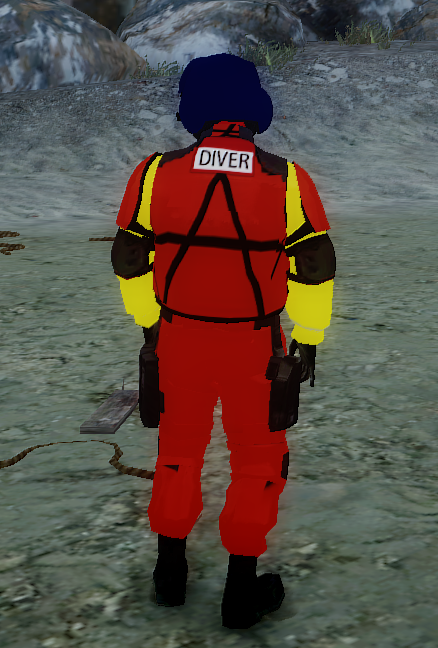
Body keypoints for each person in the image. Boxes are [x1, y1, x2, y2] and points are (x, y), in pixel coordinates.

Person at [109, 52, 337, 629]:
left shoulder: (153, 173)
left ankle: (169, 576)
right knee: (259, 461)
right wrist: (308, 335)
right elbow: (313, 263)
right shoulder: (287, 179)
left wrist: (149, 323)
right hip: (255, 346)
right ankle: (240, 590)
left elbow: (129, 255)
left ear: (195, 110)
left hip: (178, 339)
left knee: (177, 452)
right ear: (253, 108)